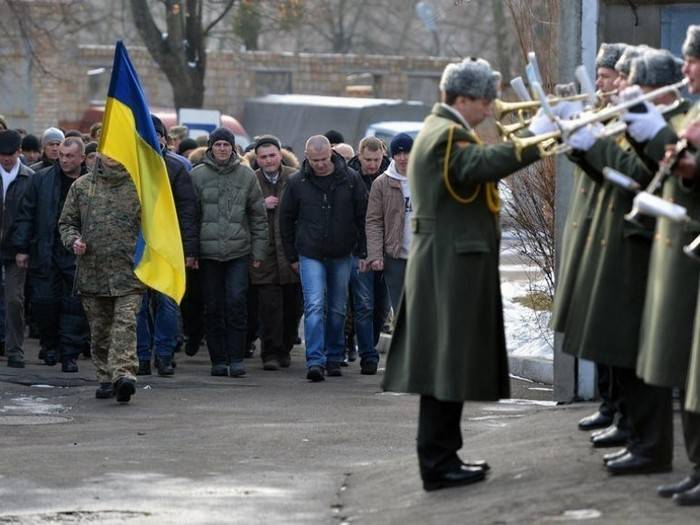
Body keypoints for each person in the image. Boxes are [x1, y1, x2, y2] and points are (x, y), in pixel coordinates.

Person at [382, 57, 545, 491]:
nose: (491, 108)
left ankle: (444, 456)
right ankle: (437, 463)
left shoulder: (444, 130)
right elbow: (485, 165)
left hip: (447, 260)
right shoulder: (448, 135)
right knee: (444, 364)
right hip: (449, 264)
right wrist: (539, 133)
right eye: (485, 100)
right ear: (462, 98)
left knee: (445, 364)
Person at [563, 48, 688, 476]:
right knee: (629, 353)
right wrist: (582, 147)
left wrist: (602, 144)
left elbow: (641, 175)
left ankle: (651, 446)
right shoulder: (651, 119)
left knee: (647, 359)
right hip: (635, 244)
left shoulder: (676, 121)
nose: (622, 89)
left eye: (637, 84)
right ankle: (640, 437)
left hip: (655, 248)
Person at [619, 26, 700, 504]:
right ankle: (696, 465)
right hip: (679, 248)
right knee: (688, 374)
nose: (687, 68)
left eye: (693, 61)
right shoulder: (693, 111)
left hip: (687, 252)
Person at [551, 43, 629, 435]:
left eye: (606, 75)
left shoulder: (628, 118)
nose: (599, 81)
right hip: (589, 226)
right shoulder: (600, 113)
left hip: (612, 230)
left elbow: (619, 171)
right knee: (596, 325)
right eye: (597, 75)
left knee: (611, 327)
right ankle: (607, 401)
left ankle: (618, 405)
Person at [279, 135, 368, 381]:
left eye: (324, 159)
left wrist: (362, 250)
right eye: (315, 160)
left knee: (338, 308)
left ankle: (333, 357)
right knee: (315, 306)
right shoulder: (297, 182)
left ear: (332, 154)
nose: (320, 164)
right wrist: (292, 255)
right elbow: (285, 219)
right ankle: (315, 360)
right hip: (310, 253)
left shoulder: (350, 179)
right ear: (306, 157)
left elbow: (363, 215)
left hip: (342, 252)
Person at [58, 154, 143, 403]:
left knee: (125, 324)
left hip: (129, 273)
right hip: (92, 273)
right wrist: (73, 241)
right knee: (100, 330)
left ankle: (124, 375)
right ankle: (106, 377)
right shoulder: (83, 186)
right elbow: (66, 222)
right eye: (107, 152)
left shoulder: (138, 186)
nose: (112, 157)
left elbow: (155, 226)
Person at [190, 127, 267, 378]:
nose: (222, 149)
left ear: (233, 148)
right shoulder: (197, 175)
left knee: (236, 303)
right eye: (218, 144)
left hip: (238, 251)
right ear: (210, 148)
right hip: (208, 252)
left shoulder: (246, 175)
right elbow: (190, 217)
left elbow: (258, 216)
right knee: (213, 306)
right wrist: (190, 252)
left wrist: (258, 252)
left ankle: (236, 358)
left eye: (226, 145)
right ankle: (218, 360)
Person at [12, 137, 90, 372]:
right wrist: (22, 248)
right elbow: (27, 214)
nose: (64, 160)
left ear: (81, 158)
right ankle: (50, 345)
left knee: (74, 307)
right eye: (62, 156)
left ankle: (69, 354)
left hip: (78, 254)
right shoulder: (42, 179)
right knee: (45, 303)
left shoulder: (91, 184)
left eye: (70, 156)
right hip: (46, 250)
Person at [135, 116, 199, 377]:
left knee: (167, 303)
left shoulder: (176, 168)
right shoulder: (129, 166)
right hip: (137, 246)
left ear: (163, 138)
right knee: (137, 305)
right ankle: (140, 356)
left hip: (168, 247)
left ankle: (163, 355)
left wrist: (189, 250)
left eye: (156, 134)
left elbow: (188, 211)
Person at [248, 135, 302, 370]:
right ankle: (269, 353)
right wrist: (261, 203)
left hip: (292, 252)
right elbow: (238, 210)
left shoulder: (295, 177)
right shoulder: (251, 180)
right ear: (257, 159)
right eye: (263, 157)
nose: (268, 160)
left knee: (293, 306)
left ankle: (286, 348)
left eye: (272, 155)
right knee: (269, 307)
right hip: (264, 253)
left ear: (280, 155)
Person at [366, 133, 414, 312]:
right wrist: (376, 255)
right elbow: (374, 221)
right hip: (395, 256)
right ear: (392, 156)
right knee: (401, 309)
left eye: (407, 153)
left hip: (423, 255)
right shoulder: (382, 183)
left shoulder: (426, 178)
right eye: (398, 154)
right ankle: (405, 340)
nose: (402, 158)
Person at [0, 129, 34, 368]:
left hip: (16, 248)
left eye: (10, 154)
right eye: (1, 155)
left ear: (19, 152)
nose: (6, 159)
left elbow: (31, 215)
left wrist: (25, 248)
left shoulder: (29, 177)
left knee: (14, 300)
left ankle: (15, 350)